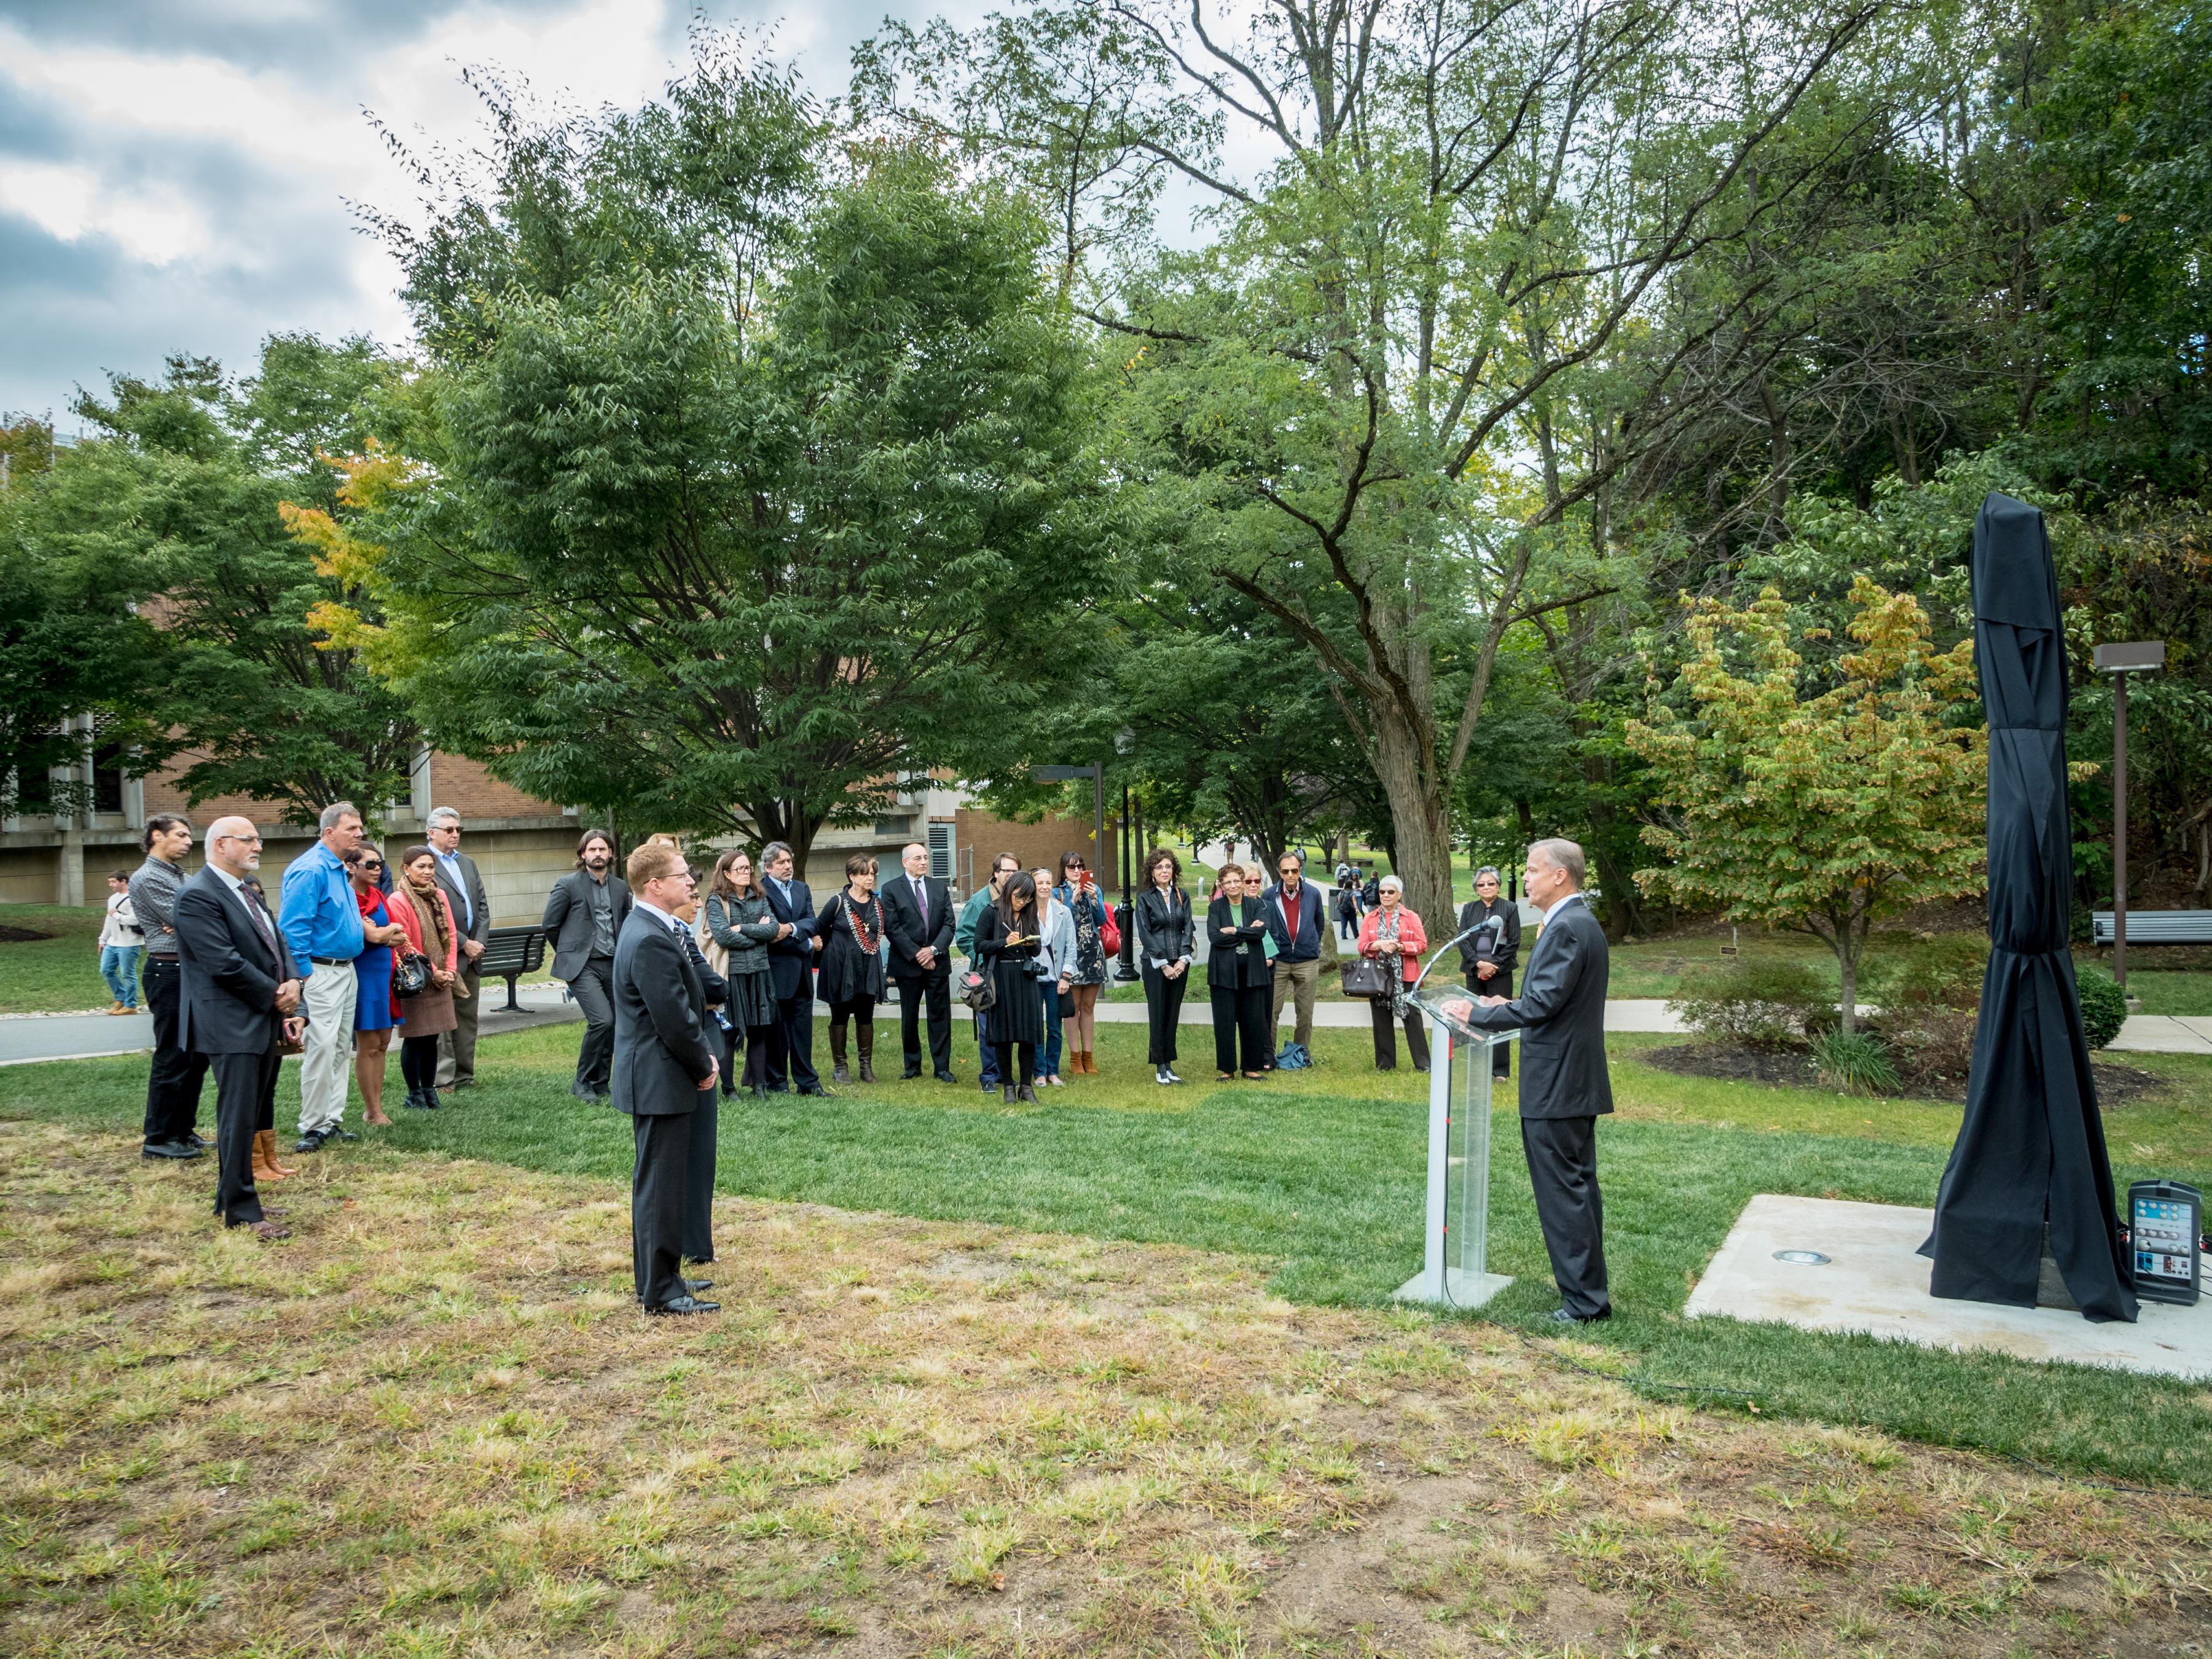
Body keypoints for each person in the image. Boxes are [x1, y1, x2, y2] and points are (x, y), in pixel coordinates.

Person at [1462, 838, 1614, 1325]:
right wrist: (1498, 1006)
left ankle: (1584, 1305)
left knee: (1565, 1194)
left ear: (1560, 877)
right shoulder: (1575, 922)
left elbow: (1543, 1006)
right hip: (1571, 1081)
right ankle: (1587, 1295)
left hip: (1558, 1083)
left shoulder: (1568, 927)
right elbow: (1550, 1000)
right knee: (1577, 1189)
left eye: (1531, 871)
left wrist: (1477, 1014)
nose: (1524, 880)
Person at [171, 817, 304, 1241]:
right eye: (249, 839)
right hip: (229, 1020)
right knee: (237, 1116)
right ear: (220, 844)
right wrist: (274, 994)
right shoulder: (197, 895)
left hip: (260, 1016)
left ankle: (232, 1198)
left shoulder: (244, 890)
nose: (258, 846)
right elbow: (222, 962)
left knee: (247, 1114)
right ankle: (243, 1212)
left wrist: (294, 982)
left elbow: (276, 942)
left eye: (257, 839)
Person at [611, 839, 720, 1315]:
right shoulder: (651, 936)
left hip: (661, 1076)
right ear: (654, 885)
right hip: (661, 1078)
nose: (691, 881)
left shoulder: (654, 927)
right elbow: (672, 1018)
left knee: (663, 1184)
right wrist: (704, 1063)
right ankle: (659, 1291)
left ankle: (663, 1275)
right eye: (681, 875)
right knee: (659, 1186)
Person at [280, 802, 367, 1154]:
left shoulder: (338, 869)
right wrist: (302, 979)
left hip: (346, 969)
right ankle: (312, 1125)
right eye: (352, 829)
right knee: (322, 1047)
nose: (360, 834)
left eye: (360, 827)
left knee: (341, 1047)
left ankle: (331, 1119)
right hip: (319, 972)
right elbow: (292, 929)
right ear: (329, 832)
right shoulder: (311, 870)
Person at [131, 814, 210, 1161]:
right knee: (173, 1056)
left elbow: (202, 915)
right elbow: (194, 919)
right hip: (169, 971)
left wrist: (190, 922)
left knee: (196, 1057)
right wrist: (189, 923)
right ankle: (159, 1138)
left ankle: (183, 1130)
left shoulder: (179, 876)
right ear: (156, 836)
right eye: (181, 835)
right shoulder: (149, 877)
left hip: (191, 970)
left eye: (189, 835)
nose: (189, 841)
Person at [543, 830, 631, 1101]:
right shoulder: (568, 884)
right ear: (583, 854)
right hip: (583, 967)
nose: (597, 854)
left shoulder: (620, 887)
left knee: (615, 1023)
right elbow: (551, 925)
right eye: (592, 849)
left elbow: (625, 924)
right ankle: (582, 1081)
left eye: (602, 849)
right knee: (601, 1020)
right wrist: (571, 953)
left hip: (613, 964)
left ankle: (601, 1081)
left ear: (610, 854)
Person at [386, 846, 464, 1113]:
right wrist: (433, 971)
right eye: (421, 866)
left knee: (433, 1037)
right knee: (416, 1037)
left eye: (431, 867)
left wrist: (450, 970)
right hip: (418, 978)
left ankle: (430, 1091)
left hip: (442, 977)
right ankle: (414, 1093)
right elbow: (404, 944)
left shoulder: (439, 895)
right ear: (406, 868)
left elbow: (451, 935)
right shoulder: (398, 900)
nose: (428, 872)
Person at [704, 849, 783, 1097]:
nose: (746, 873)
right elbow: (723, 936)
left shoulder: (759, 896)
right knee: (731, 1032)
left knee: (759, 1031)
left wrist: (744, 928)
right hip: (733, 973)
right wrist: (756, 937)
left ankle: (759, 1087)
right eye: (740, 869)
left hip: (760, 971)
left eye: (748, 868)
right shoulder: (717, 900)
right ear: (727, 873)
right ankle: (729, 1089)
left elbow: (773, 929)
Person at [425, 807, 490, 1095]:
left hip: (472, 955)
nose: (455, 834)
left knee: (467, 1018)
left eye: (458, 830)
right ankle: (444, 1079)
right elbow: (433, 914)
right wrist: (464, 942)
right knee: (443, 1021)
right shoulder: (424, 864)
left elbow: (483, 906)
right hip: (444, 955)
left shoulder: (468, 864)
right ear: (431, 833)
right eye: (449, 830)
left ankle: (465, 1075)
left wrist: (478, 943)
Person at [344, 845, 408, 1127]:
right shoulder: (348, 896)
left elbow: (397, 935)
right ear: (351, 866)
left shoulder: (378, 895)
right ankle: (372, 1111)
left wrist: (387, 932)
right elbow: (372, 935)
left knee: (383, 1041)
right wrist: (384, 933)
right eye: (369, 864)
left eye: (380, 863)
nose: (377, 868)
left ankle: (376, 1108)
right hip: (364, 976)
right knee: (368, 1044)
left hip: (386, 975)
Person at [882, 842, 956, 1082]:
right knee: (910, 1016)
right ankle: (912, 1065)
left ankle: (942, 1067)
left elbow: (949, 923)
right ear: (905, 862)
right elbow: (892, 928)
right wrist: (919, 954)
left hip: (937, 962)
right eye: (918, 858)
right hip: (908, 964)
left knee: (940, 1016)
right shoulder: (891, 889)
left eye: (925, 857)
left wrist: (933, 951)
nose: (924, 862)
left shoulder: (938, 887)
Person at [759, 841, 826, 1096]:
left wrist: (792, 929)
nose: (788, 866)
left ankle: (807, 1083)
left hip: (802, 973)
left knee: (802, 1030)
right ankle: (777, 1082)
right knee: (776, 1031)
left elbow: (812, 920)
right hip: (776, 970)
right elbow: (770, 934)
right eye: (781, 863)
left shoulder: (802, 888)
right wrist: (808, 942)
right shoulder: (761, 891)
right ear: (768, 868)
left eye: (789, 861)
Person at [974, 870, 1046, 1103]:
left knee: (1028, 1035)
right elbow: (979, 945)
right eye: (1019, 897)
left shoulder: (1029, 913)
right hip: (1001, 978)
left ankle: (1026, 1087)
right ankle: (1008, 1086)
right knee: (1003, 1036)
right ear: (1009, 891)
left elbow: (1037, 950)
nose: (1022, 902)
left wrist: (1030, 940)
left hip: (1026, 978)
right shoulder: (991, 912)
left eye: (1027, 898)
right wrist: (1003, 942)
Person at [817, 854, 888, 1084]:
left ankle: (866, 1067)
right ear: (852, 876)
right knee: (840, 1015)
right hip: (841, 967)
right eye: (865, 874)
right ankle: (840, 1067)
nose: (871, 878)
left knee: (865, 1016)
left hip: (868, 966)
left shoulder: (877, 904)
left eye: (873, 874)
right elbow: (819, 928)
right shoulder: (837, 902)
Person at [955, 853, 1022, 1097]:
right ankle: (989, 1075)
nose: (1011, 875)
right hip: (987, 972)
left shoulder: (1020, 900)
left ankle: (1008, 1075)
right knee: (988, 1026)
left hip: (1013, 972)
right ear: (995, 873)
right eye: (1006, 871)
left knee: (1011, 1023)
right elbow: (964, 936)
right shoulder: (980, 901)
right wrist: (985, 957)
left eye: (1015, 871)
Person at [1206, 862, 1273, 1080]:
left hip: (1253, 971)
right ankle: (1227, 1069)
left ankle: (1251, 1067)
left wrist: (1235, 930)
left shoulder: (1257, 906)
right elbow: (1215, 937)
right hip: (1224, 973)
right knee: (1224, 1022)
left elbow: (1261, 932)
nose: (1233, 886)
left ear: (1243, 882)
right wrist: (1247, 931)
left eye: (1237, 881)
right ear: (1222, 886)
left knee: (1253, 1021)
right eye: (1228, 882)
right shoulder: (1216, 908)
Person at [1357, 875, 1430, 1072]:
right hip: (1378, 976)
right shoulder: (1370, 918)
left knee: (1412, 1019)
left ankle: (1423, 1063)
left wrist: (1400, 946)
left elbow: (1423, 946)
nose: (1386, 895)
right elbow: (1362, 947)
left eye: (1391, 892)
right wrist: (1377, 944)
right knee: (1381, 1019)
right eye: (1382, 892)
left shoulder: (1411, 917)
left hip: (1406, 975)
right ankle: (1385, 1064)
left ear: (1399, 895)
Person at [1135, 848, 1194, 1086]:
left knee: (1172, 1014)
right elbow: (1146, 933)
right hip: (1155, 965)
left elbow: (1188, 928)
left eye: (1168, 866)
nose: (1164, 871)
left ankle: (1169, 1065)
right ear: (1152, 872)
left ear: (1174, 870)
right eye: (1159, 867)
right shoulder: (1145, 898)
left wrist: (1183, 959)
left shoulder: (1183, 895)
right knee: (1158, 1014)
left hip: (1180, 964)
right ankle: (1159, 1066)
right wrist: (1163, 964)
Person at [1457, 864, 1521, 1079]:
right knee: (1475, 1016)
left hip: (1500, 971)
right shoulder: (1469, 909)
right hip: (1474, 970)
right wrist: (1478, 964)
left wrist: (1493, 966)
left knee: (1500, 1017)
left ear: (1498, 886)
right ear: (1476, 888)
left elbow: (1513, 942)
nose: (1486, 887)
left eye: (1491, 883)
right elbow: (1463, 940)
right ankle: (1479, 1067)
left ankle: (1500, 1071)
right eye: (1481, 884)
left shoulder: (1509, 908)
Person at [1263, 850, 1324, 1060]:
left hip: (1306, 960)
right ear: (1280, 872)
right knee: (1271, 1011)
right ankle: (1269, 1054)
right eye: (1286, 871)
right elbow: (1266, 927)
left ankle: (1301, 1053)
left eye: (1294, 870)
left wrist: (1310, 943)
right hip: (1278, 961)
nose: (1290, 875)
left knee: (1305, 1013)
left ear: (1300, 871)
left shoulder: (1313, 894)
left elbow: (1319, 925)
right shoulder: (1270, 895)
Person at [1054, 852, 1110, 1075]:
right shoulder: (1059, 892)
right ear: (1064, 870)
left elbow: (1102, 921)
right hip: (1072, 955)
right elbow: (1063, 920)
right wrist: (1074, 900)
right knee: (1073, 1008)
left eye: (1080, 866)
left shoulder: (1093, 889)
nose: (1077, 871)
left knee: (1088, 1007)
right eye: (1071, 867)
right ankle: (1075, 1057)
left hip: (1092, 953)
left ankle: (1089, 1056)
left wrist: (1094, 900)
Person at [1030, 868, 1075, 1086]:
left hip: (1057, 979)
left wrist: (1066, 976)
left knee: (1055, 1027)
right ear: (1033, 885)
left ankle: (1053, 1071)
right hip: (1032, 979)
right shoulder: (1025, 911)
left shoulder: (1063, 911)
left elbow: (1070, 947)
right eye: (1040, 883)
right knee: (1036, 1026)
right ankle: (1038, 1071)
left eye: (1048, 883)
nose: (1045, 887)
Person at [99, 869, 144, 1013]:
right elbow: (109, 919)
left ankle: (131, 1005)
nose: (111, 885)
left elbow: (135, 919)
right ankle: (121, 998)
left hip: (130, 943)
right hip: (113, 942)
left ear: (123, 881)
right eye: (109, 882)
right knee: (106, 970)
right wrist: (103, 939)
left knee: (127, 974)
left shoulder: (134, 898)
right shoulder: (112, 899)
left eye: (113, 882)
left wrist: (117, 915)